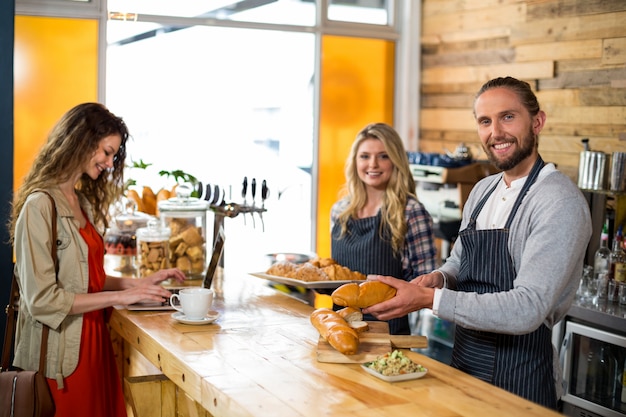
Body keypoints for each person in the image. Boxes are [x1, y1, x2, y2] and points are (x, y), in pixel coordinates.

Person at [363, 77, 592, 408]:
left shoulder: (558, 201)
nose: (495, 132)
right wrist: (440, 278)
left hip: (521, 379)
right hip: (466, 367)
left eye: (508, 117)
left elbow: (527, 308)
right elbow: (460, 260)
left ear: (537, 122)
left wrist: (430, 299)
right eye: (485, 121)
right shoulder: (483, 191)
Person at [8, 102, 186, 417]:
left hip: (94, 347)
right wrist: (123, 296)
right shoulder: (39, 206)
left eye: (114, 155)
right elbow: (41, 300)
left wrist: (138, 284)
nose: (109, 162)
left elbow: (85, 279)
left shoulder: (82, 203)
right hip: (62, 360)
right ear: (80, 141)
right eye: (106, 151)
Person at [331, 122, 437, 335]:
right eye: (365, 156)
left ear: (396, 161)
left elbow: (426, 285)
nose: (373, 164)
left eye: (383, 156)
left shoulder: (411, 212)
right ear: (355, 162)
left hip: (389, 336)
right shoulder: (340, 211)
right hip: (341, 328)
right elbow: (336, 276)